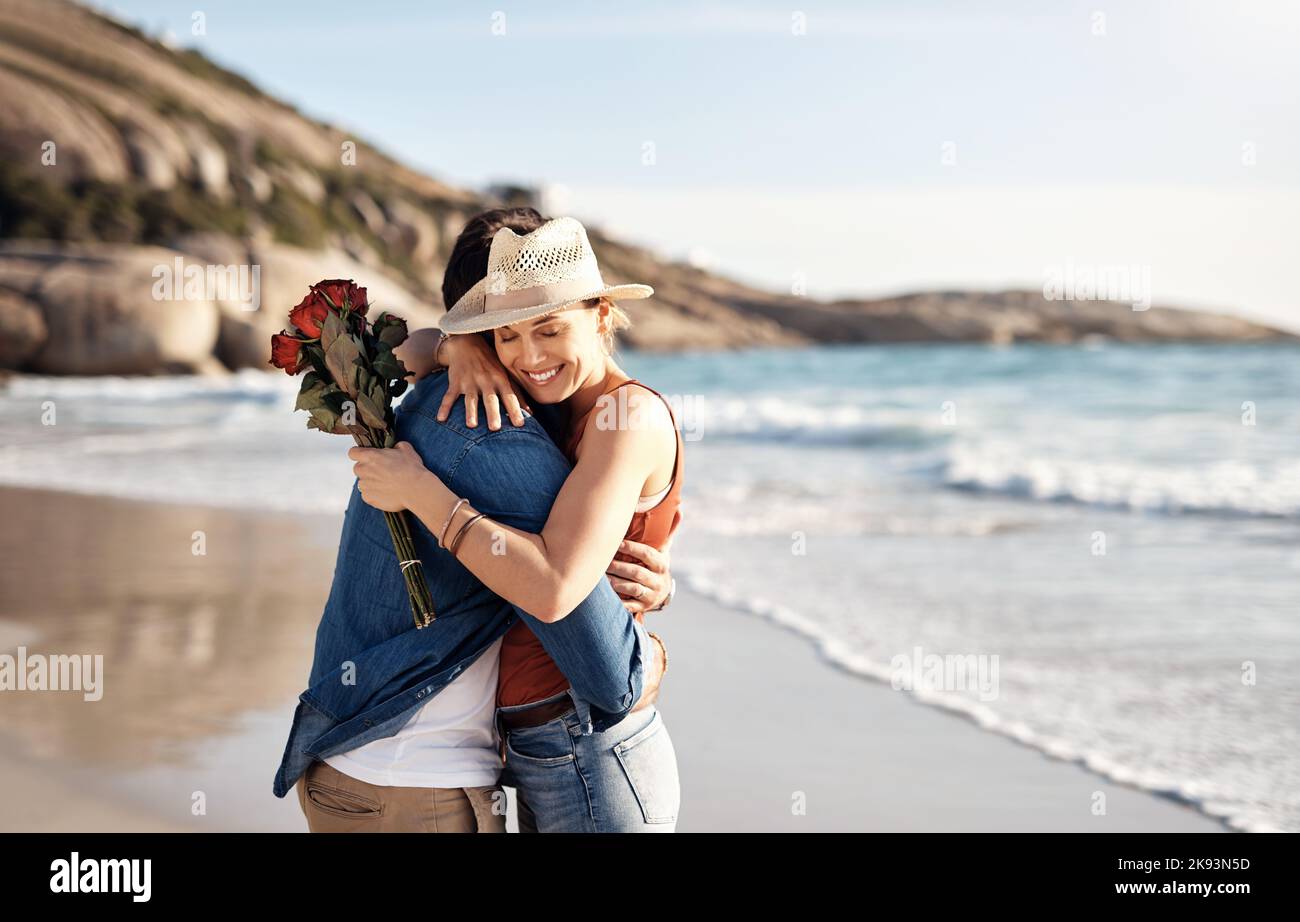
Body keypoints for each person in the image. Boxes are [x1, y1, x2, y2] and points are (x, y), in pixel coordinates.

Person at [348, 211, 684, 832]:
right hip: (538, 746)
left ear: (603, 317)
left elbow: (555, 589)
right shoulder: (549, 408)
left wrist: (422, 494)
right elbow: (400, 352)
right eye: (509, 335)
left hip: (592, 743)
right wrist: (462, 346)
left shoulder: (626, 417)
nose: (530, 355)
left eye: (551, 329)